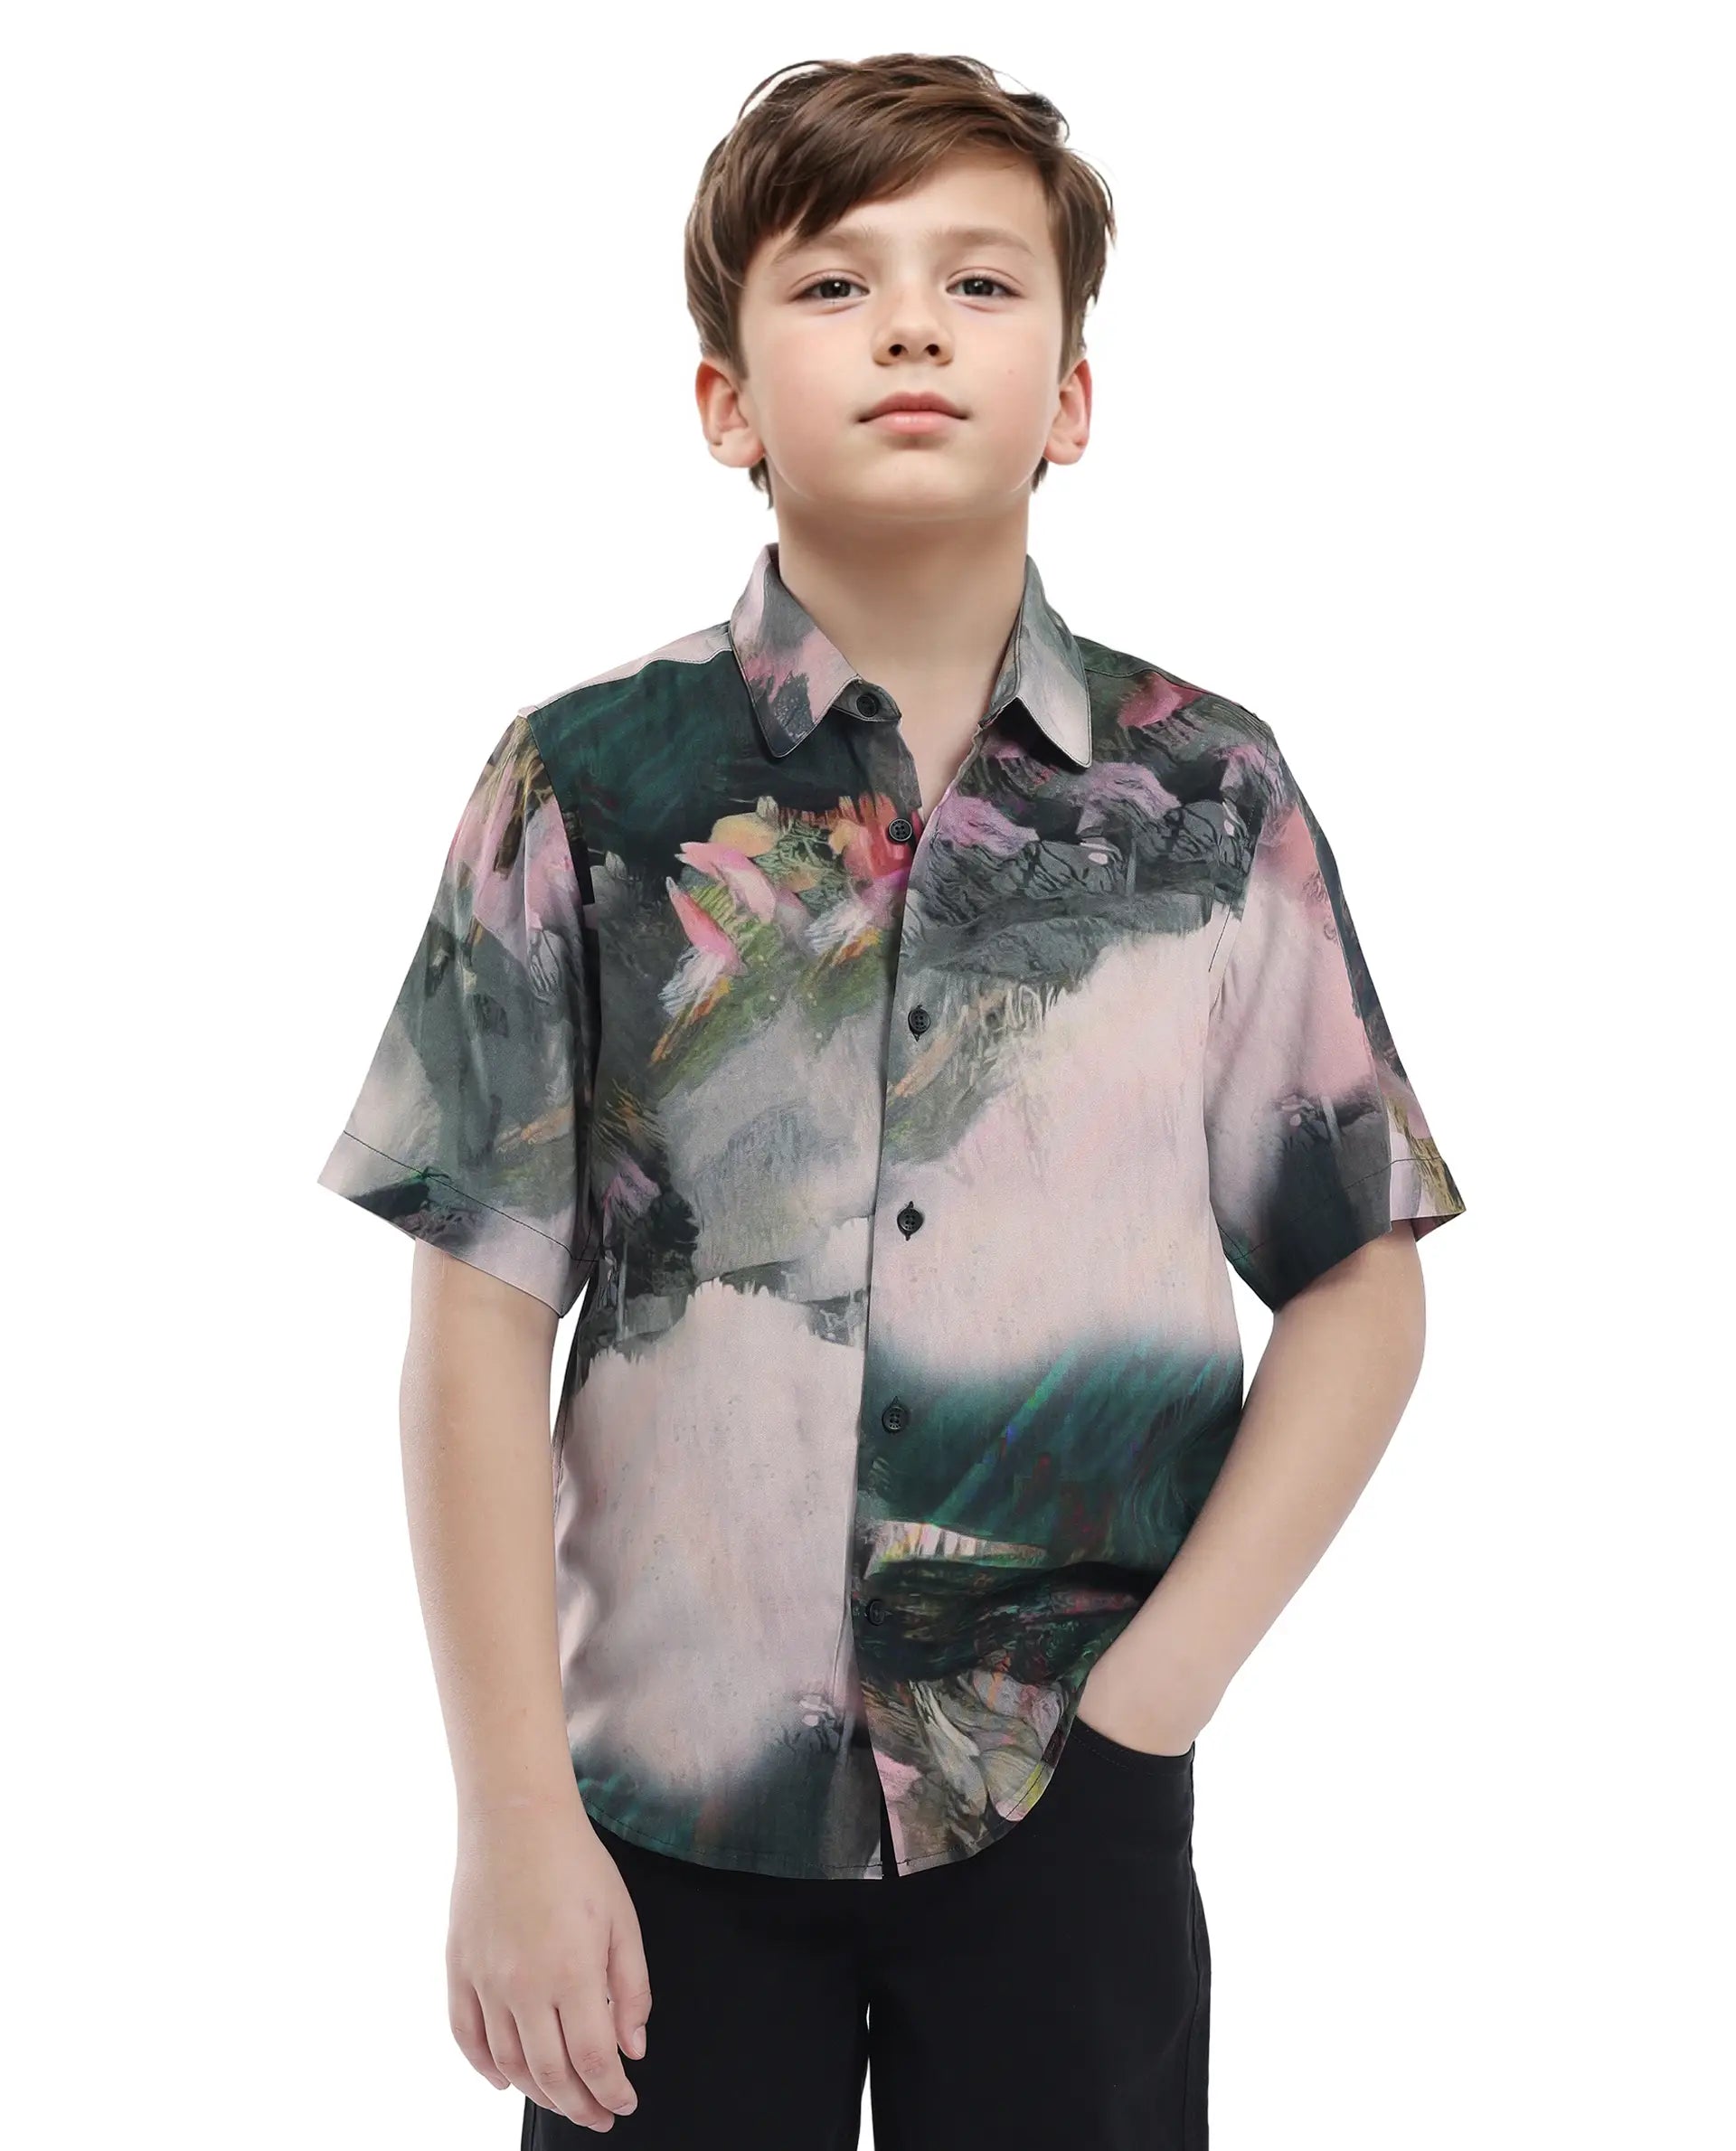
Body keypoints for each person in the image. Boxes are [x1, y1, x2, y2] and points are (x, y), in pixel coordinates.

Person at [316, 51, 1467, 2149]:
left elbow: (1357, 1276)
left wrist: (1160, 1695)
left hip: (1068, 1788)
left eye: (980, 283)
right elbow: (477, 1317)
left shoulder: (1208, 793)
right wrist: (510, 1814)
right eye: (837, 284)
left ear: (1075, 397)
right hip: (659, 1806)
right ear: (726, 402)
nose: (914, 327)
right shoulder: (590, 784)